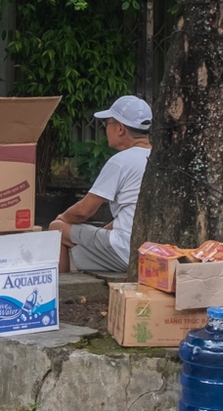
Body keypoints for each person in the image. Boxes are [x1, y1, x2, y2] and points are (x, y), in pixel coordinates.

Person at [49, 96, 153, 276]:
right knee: (96, 233)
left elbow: (84, 211)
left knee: (56, 228)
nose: (106, 129)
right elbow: (133, 212)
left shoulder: (121, 161)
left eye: (108, 123)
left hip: (125, 251)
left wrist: (63, 217)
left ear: (120, 128)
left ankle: (62, 289)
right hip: (153, 252)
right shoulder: (159, 159)